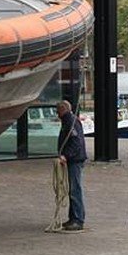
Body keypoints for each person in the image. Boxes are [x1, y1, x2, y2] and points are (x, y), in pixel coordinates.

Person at [56, 99, 87, 232]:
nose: (57, 115)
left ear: (62, 110)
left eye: (58, 111)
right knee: (72, 189)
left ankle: (78, 219)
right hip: (73, 159)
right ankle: (73, 218)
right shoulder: (70, 120)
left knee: (75, 189)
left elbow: (76, 142)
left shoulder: (70, 121)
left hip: (74, 160)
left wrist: (65, 155)